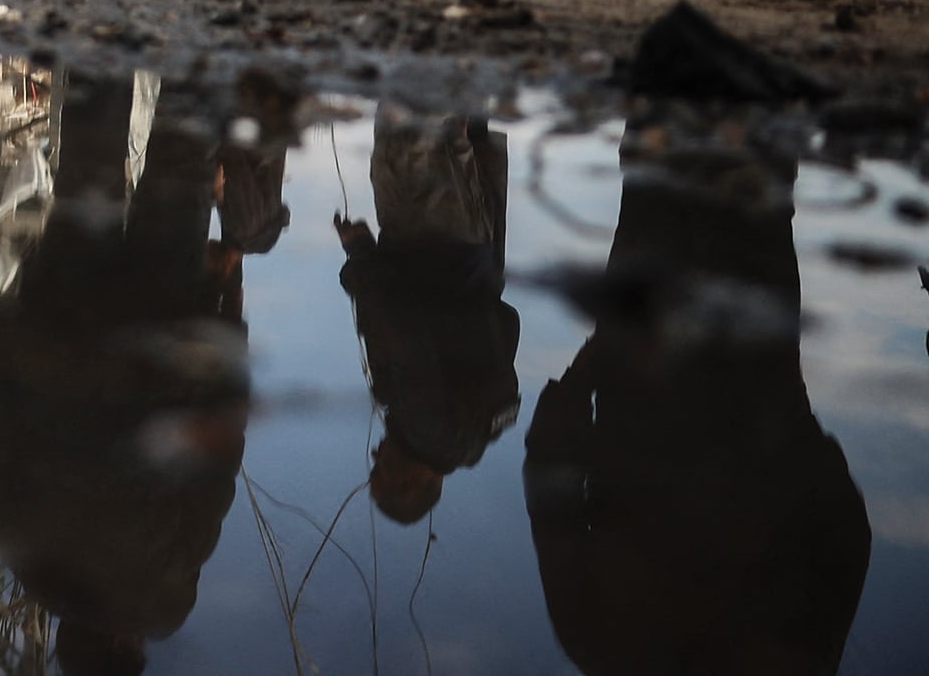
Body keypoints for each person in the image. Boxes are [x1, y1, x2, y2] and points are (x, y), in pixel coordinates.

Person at [523, 137, 870, 674]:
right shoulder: (604, 645)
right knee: (713, 173)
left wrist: (594, 362)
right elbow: (844, 534)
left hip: (707, 367)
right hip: (741, 372)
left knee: (698, 175)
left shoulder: (605, 647)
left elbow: (552, 470)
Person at [0, 77, 249, 674]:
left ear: (126, 648)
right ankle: (103, 27)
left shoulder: (163, 598)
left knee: (180, 169)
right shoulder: (20, 548)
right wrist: (14, 306)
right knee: (88, 175)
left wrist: (228, 317)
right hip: (60, 324)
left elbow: (212, 465)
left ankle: (200, 24)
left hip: (159, 341)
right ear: (68, 640)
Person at [334, 108, 520, 527]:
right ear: (408, 482)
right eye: (378, 471)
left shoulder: (477, 431)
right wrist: (362, 258)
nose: (376, 455)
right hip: (430, 238)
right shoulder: (426, 429)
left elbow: (507, 322)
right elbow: (405, 329)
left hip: (469, 242)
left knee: (455, 115)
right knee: (410, 118)